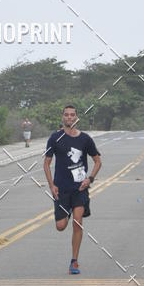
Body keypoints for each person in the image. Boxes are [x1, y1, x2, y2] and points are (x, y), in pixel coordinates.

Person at [43, 105, 102, 275]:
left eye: (72, 115)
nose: (69, 117)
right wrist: (51, 185)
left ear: (76, 118)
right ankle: (65, 212)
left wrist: (89, 178)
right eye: (66, 115)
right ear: (62, 117)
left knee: (77, 222)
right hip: (61, 189)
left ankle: (74, 261)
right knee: (61, 226)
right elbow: (46, 163)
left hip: (79, 188)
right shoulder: (55, 138)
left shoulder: (85, 139)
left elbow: (98, 161)